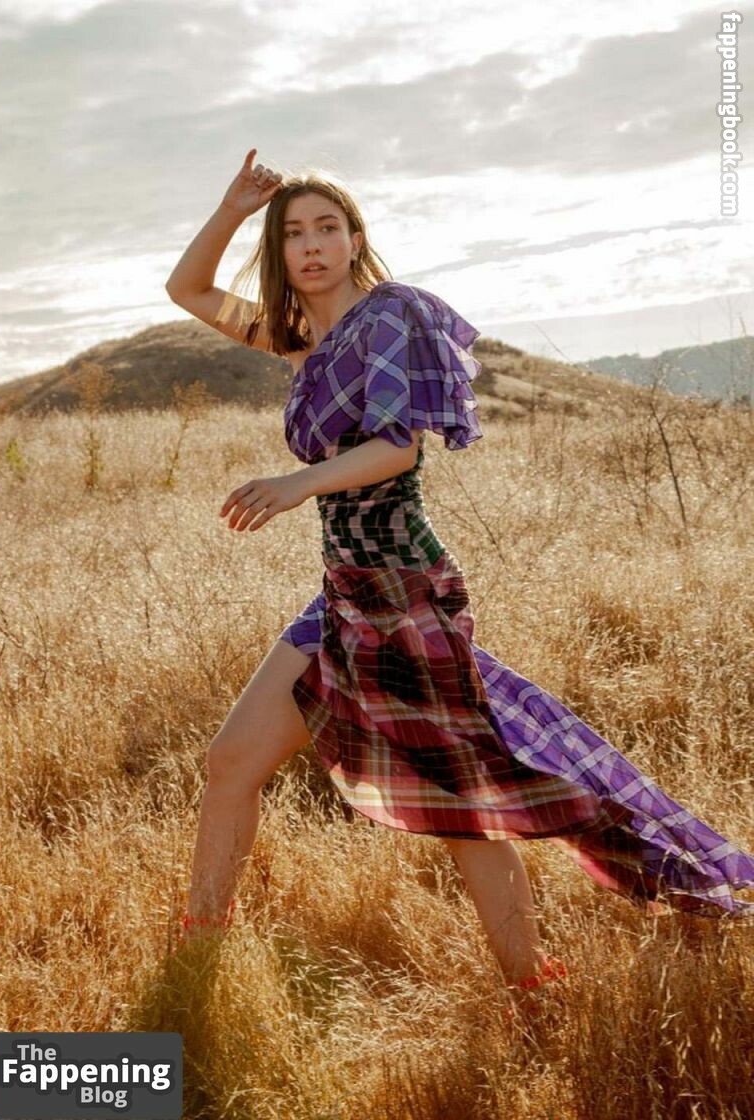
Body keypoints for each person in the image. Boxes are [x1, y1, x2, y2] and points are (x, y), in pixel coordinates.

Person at [165, 148, 754, 1020]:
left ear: (356, 239)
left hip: (405, 588)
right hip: (344, 590)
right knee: (231, 761)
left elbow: (396, 446)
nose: (312, 245)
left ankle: (532, 981)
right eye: (293, 233)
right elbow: (188, 290)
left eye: (328, 227)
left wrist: (295, 484)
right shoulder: (301, 340)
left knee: (463, 800)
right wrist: (231, 210)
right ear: (279, 251)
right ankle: (197, 957)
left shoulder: (391, 316)